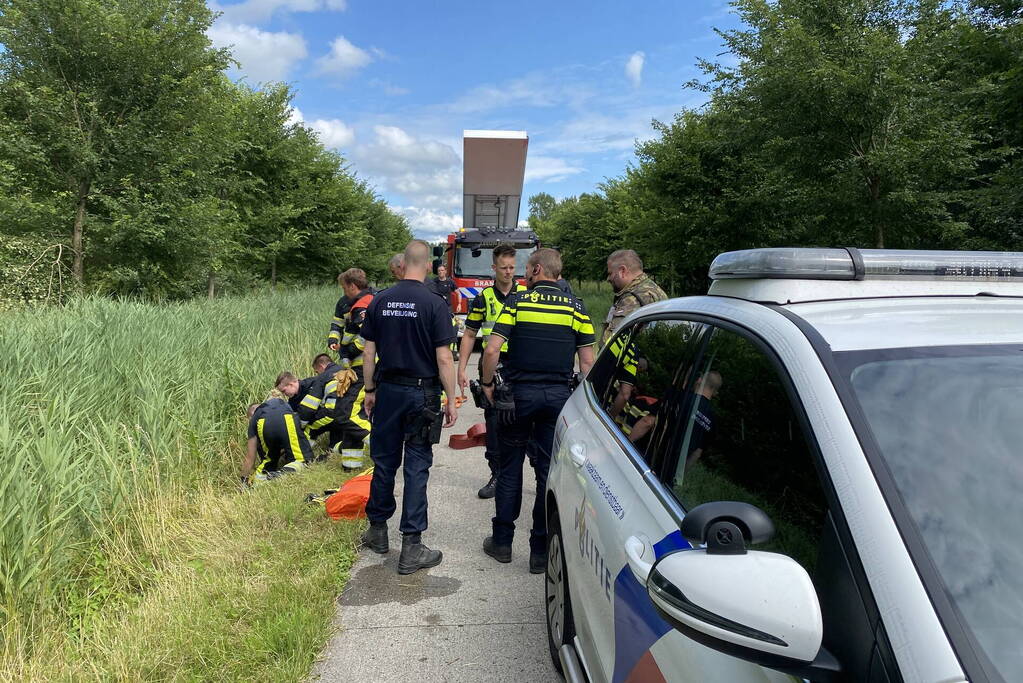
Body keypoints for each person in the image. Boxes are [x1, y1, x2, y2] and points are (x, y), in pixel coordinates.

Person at [480, 248, 595, 573]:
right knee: (546, 473)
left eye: (527, 269)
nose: (522, 274)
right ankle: (540, 552)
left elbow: (491, 349)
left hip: (517, 399)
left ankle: (501, 543)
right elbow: (587, 362)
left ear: (537, 270)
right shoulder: (576, 308)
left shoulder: (517, 302)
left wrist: (488, 384)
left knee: (509, 468)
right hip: (557, 400)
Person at [359, 240, 458, 575]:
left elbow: (368, 353)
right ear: (427, 265)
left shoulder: (380, 300)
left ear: (403, 264)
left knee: (384, 461)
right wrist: (451, 397)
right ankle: (411, 547)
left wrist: (369, 389)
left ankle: (378, 531)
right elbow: (444, 357)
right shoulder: (435, 303)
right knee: (416, 466)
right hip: (422, 395)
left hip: (387, 392)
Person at [456, 244, 526, 499]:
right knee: (494, 424)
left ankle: (520, 477)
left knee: (523, 423)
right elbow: (470, 334)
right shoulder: (483, 298)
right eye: (504, 268)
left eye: (512, 267)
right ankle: (497, 475)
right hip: (493, 368)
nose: (509, 272)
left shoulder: (527, 294)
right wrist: (461, 369)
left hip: (521, 366)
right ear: (493, 268)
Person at [329, 267, 375, 470]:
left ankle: (380, 445)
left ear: (353, 285)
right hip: (353, 367)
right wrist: (333, 339)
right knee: (358, 415)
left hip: (363, 366)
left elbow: (365, 338)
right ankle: (351, 465)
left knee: (345, 414)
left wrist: (346, 351)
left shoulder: (364, 305)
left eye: (344, 287)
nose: (343, 291)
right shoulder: (349, 303)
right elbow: (337, 324)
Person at [240, 372, 314, 485]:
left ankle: (260, 479)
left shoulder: (255, 419)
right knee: (302, 459)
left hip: (265, 424)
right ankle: (283, 472)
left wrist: (243, 480)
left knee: (269, 460)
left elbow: (250, 457)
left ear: (251, 415)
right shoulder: (279, 403)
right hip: (287, 416)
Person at [602, 249, 667, 344]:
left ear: (622, 271)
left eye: (610, 273)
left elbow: (609, 343)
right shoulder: (655, 290)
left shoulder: (632, 299)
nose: (608, 279)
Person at [685, 370, 722, 468]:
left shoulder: (684, 399)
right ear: (715, 392)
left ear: (700, 380)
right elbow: (697, 454)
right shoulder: (712, 420)